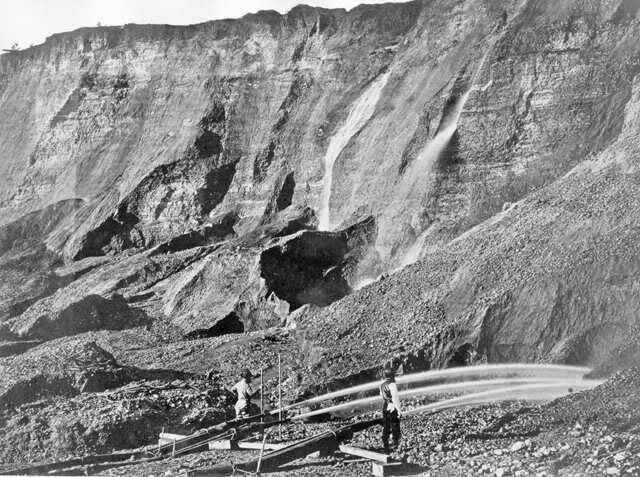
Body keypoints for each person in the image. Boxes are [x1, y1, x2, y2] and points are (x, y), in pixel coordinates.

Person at [380, 366, 401, 453]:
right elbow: (395, 398)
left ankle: (386, 445)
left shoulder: (382, 385)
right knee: (395, 426)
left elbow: (382, 396)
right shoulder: (392, 385)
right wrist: (399, 410)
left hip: (385, 406)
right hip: (392, 407)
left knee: (386, 426)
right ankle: (395, 444)